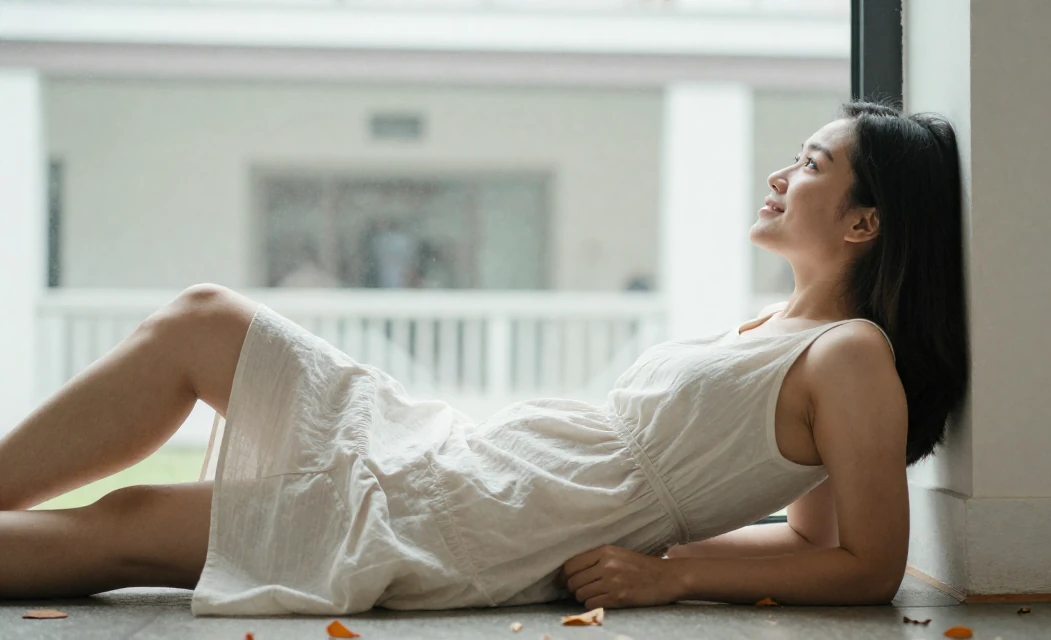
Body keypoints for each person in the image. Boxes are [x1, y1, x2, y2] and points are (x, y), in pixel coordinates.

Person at [0, 102, 967, 615]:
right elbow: (806, 539)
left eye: (809, 163)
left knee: (129, 524)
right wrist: (675, 554)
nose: (778, 174)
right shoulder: (777, 332)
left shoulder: (851, 357)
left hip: (482, 522)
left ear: (865, 222)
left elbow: (863, 561)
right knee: (204, 319)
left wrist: (669, 574)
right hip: (470, 459)